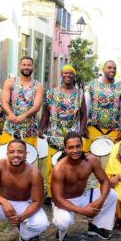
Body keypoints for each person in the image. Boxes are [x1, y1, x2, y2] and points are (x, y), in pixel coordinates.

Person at [50, 132, 118, 241]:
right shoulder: (59, 168)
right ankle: (62, 231)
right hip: (64, 202)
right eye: (71, 147)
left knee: (111, 195)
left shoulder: (91, 160)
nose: (75, 150)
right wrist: (83, 211)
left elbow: (105, 181)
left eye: (78, 146)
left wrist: (100, 201)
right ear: (65, 149)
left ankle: (97, 227)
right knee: (63, 221)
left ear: (82, 146)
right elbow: (57, 199)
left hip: (82, 197)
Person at [39, 65, 87, 198]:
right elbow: (46, 113)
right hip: (54, 135)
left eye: (71, 73)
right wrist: (41, 128)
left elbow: (84, 115)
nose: (68, 75)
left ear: (74, 76)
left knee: (70, 166)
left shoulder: (79, 94)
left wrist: (81, 130)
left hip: (71, 137)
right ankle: (50, 193)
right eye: (65, 73)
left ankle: (67, 192)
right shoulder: (51, 93)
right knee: (51, 165)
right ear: (61, 74)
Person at [0, 56, 44, 148]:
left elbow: (37, 106)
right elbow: (4, 102)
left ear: (33, 67)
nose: (26, 67)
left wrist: (23, 116)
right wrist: (10, 114)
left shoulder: (38, 86)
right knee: (7, 156)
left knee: (29, 157)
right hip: (10, 127)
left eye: (29, 65)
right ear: (20, 66)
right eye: (24, 65)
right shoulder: (10, 82)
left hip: (30, 129)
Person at [83, 60, 121, 152]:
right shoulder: (93, 84)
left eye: (114, 68)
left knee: (111, 160)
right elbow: (85, 107)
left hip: (114, 131)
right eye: (109, 67)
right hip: (93, 129)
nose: (112, 70)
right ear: (103, 69)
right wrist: (83, 126)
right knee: (89, 158)